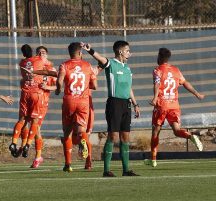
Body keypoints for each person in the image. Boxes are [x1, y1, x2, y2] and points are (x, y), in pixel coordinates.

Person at [82, 40, 140, 177]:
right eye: (127, 51)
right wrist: (90, 50)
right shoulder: (111, 64)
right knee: (113, 136)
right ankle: (106, 170)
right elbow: (100, 58)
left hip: (126, 104)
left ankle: (126, 170)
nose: (129, 53)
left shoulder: (127, 68)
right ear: (120, 52)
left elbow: (129, 88)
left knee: (125, 137)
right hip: (114, 103)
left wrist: (135, 104)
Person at [145, 47, 204, 167]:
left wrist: (155, 98)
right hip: (174, 105)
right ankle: (191, 136)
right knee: (177, 131)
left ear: (160, 57)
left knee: (155, 132)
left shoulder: (157, 70)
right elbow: (185, 83)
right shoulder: (176, 70)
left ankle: (153, 159)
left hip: (162, 104)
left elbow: (157, 84)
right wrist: (196, 93)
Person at [56, 42, 97, 172]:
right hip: (83, 101)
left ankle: (68, 164)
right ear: (80, 53)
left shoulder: (64, 65)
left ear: (70, 53)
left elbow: (59, 81)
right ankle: (88, 163)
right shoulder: (88, 65)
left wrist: (58, 90)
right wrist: (84, 85)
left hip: (69, 100)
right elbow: (95, 86)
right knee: (81, 132)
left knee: (67, 133)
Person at [9, 44, 45, 158]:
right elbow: (42, 60)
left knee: (21, 120)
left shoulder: (22, 63)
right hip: (36, 93)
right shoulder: (39, 59)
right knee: (35, 121)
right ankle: (28, 145)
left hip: (25, 93)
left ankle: (14, 142)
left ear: (23, 54)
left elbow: (28, 64)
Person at [30, 46, 57, 168]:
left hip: (43, 102)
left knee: (36, 127)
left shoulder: (51, 68)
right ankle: (37, 156)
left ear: (47, 55)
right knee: (35, 129)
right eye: (39, 52)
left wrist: (48, 87)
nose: (41, 54)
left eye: (43, 52)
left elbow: (58, 86)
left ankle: (37, 156)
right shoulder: (34, 68)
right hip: (33, 100)